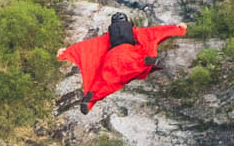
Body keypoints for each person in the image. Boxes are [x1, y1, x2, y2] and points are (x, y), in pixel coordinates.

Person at [59, 7, 188, 111]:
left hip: (112, 59)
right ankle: (146, 61)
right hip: (130, 54)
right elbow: (154, 33)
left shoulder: (106, 38)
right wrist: (177, 28)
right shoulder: (135, 31)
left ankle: (89, 98)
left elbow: (86, 47)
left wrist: (65, 52)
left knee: (104, 82)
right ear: (128, 22)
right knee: (137, 63)